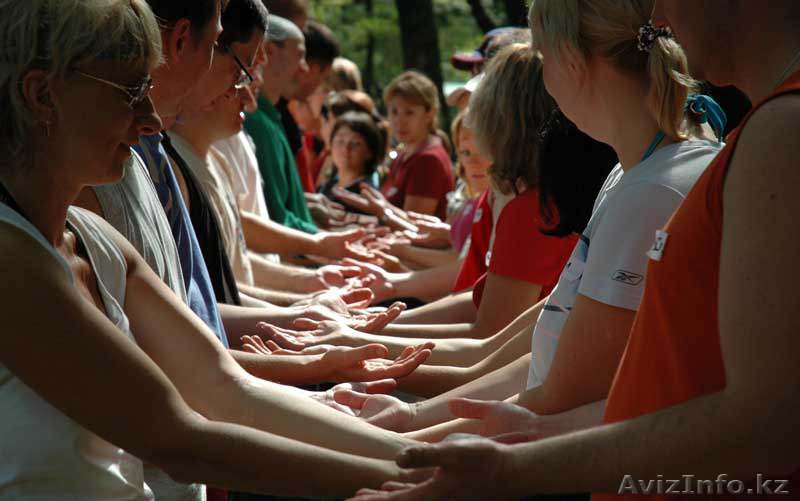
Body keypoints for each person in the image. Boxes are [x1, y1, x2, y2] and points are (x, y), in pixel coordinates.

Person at [347, 0, 800, 499]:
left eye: (542, 57)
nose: (660, 20)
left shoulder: (695, 169)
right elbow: (543, 358)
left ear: (571, 59)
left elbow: (764, 424)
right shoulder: (634, 172)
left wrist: (429, 442)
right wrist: (406, 414)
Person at [0, 2, 434, 499]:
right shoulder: (10, 260)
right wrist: (424, 478)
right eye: (130, 92)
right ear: (41, 95)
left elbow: (224, 387)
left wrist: (418, 458)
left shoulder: (92, 237)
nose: (149, 119)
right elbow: (181, 441)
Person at [245, 15, 319, 233]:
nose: (305, 68)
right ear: (268, 51)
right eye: (300, 56)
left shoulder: (270, 119)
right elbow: (276, 218)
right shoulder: (256, 121)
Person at [380, 70, 455, 220]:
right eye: (394, 112)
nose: (400, 121)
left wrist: (377, 209)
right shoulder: (403, 153)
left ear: (430, 113)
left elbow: (413, 225)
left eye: (409, 112)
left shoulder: (428, 160)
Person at [319, 111, 386, 204]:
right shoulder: (328, 186)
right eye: (340, 141)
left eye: (355, 143)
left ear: (370, 152)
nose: (346, 148)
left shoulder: (367, 194)